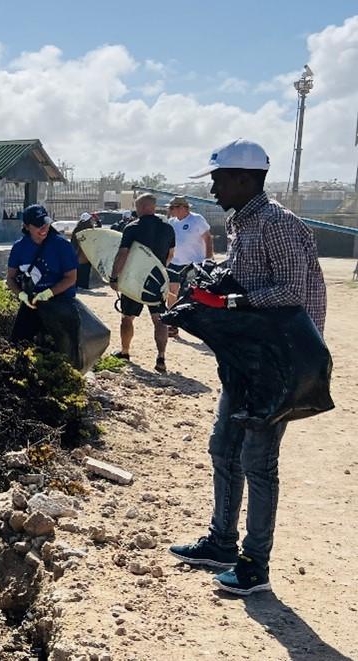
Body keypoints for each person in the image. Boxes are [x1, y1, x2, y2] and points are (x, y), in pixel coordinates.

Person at [169, 138, 326, 596]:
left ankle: (255, 566)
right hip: (247, 357)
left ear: (242, 178)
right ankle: (221, 542)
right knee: (224, 447)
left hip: (277, 363)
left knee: (258, 462)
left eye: (217, 179)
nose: (213, 189)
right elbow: (248, 279)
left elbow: (293, 291)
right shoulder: (244, 222)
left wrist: (232, 300)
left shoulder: (276, 223)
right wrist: (210, 285)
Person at [109, 193, 175, 372]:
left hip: (134, 280)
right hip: (157, 280)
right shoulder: (168, 229)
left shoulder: (133, 227)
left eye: (137, 207)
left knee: (127, 318)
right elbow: (171, 255)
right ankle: (161, 358)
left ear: (144, 207)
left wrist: (114, 277)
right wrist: (160, 271)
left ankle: (125, 351)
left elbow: (123, 253)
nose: (136, 211)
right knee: (160, 320)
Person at [5, 204, 78, 344]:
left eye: (45, 223)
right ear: (27, 227)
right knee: (18, 344)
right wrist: (21, 295)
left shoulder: (62, 245)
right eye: (38, 225)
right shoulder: (19, 247)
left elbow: (71, 278)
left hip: (60, 301)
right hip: (32, 302)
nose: (44, 228)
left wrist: (48, 293)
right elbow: (10, 278)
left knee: (62, 348)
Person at [165, 196, 214, 335]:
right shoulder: (172, 222)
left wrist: (208, 258)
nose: (170, 210)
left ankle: (199, 323)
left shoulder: (197, 219)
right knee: (171, 292)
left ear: (182, 207)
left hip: (193, 263)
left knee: (194, 294)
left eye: (172, 208)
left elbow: (208, 239)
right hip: (174, 262)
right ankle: (173, 324)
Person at [72, 211, 101, 289]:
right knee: (83, 270)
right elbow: (76, 242)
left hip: (84, 254)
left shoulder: (80, 229)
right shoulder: (82, 230)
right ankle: (81, 286)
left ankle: (81, 285)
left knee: (84, 270)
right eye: (90, 220)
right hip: (81, 254)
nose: (91, 221)